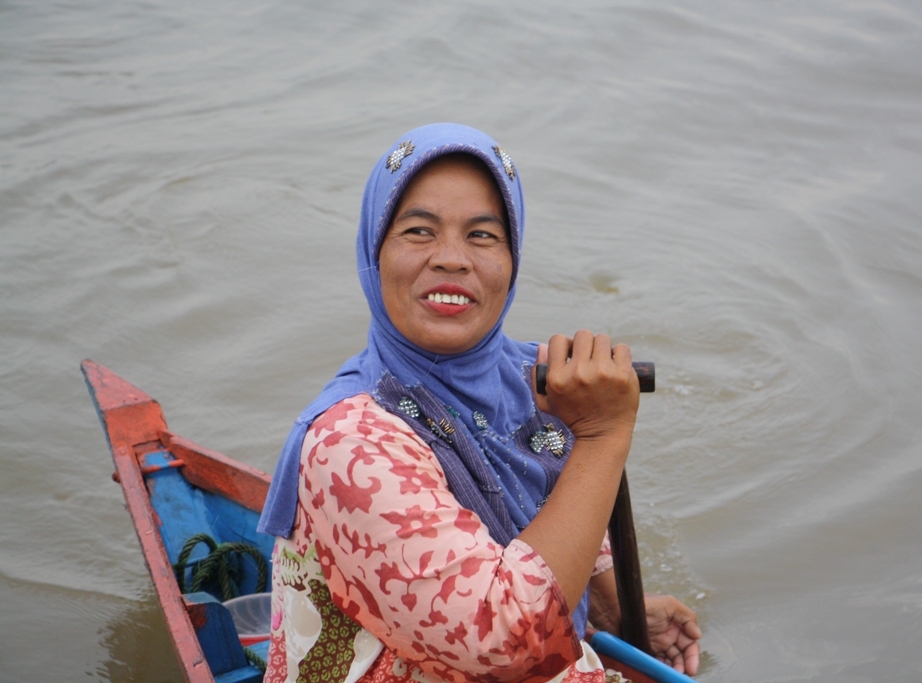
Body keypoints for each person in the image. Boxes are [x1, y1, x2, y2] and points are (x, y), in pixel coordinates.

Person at [257, 123, 701, 683]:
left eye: (483, 236)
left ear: (512, 260)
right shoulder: (350, 443)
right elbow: (506, 646)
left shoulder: (533, 383)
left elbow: (559, 509)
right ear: (374, 251)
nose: (451, 258)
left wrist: (613, 610)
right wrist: (603, 438)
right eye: (419, 230)